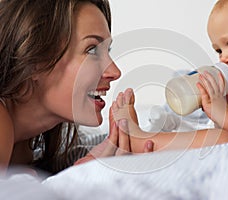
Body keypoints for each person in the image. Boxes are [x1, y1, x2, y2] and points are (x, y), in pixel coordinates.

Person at [111, 0, 228, 153]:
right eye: (218, 50)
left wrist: (227, 115)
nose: (223, 58)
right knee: (219, 136)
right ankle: (149, 140)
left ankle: (140, 141)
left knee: (222, 140)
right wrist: (224, 112)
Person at [0, 0, 153, 175]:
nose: (115, 71)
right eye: (92, 50)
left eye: (107, 51)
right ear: (35, 60)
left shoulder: (22, 149)